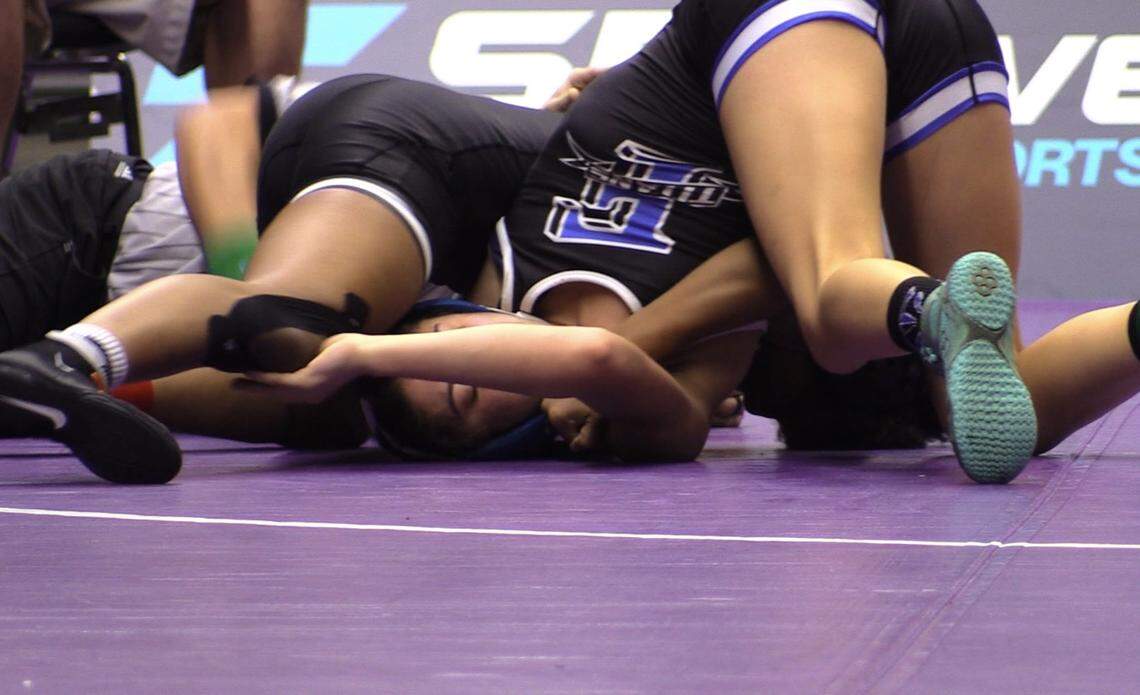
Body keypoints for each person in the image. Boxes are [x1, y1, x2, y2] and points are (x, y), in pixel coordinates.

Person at [0, 74, 562, 483]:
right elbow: (215, 116)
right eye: (456, 353)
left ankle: (54, 371)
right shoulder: (451, 189)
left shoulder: (336, 399)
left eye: (465, 388)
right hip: (84, 228)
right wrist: (243, 284)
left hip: (72, 329)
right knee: (297, 333)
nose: (474, 365)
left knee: (322, 391)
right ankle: (68, 361)